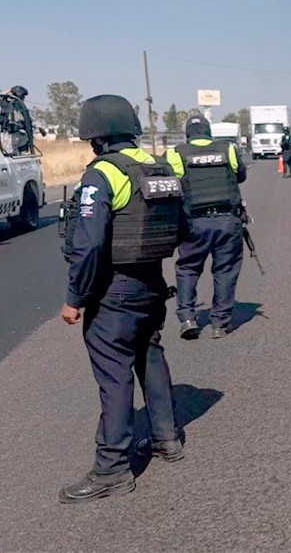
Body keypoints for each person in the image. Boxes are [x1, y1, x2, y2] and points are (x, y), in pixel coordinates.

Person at [59, 94, 185, 504]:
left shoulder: (102, 174)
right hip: (152, 283)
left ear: (95, 137)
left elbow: (90, 244)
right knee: (150, 355)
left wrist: (75, 297)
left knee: (114, 374)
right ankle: (167, 439)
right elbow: (182, 228)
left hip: (114, 290)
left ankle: (112, 468)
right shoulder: (160, 166)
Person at [165, 115, 247, 340]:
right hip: (227, 221)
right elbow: (240, 176)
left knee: (188, 269)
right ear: (209, 133)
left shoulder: (176, 153)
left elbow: (171, 184)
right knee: (225, 270)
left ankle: (187, 318)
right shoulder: (228, 149)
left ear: (187, 134)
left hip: (193, 223)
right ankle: (220, 323)